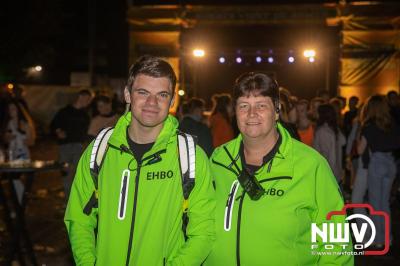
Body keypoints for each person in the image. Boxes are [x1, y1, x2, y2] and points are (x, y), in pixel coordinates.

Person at [64, 55, 215, 265]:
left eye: (162, 95)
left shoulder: (190, 156)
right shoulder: (100, 149)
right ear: (127, 94)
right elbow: (79, 219)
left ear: (172, 100)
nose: (152, 103)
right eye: (143, 92)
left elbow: (204, 231)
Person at [204, 72, 353, 265]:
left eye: (261, 105)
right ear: (235, 112)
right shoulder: (218, 160)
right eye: (244, 106)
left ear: (276, 111)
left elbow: (336, 242)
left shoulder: (311, 165)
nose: (251, 113)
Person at [358, 95, 400, 248]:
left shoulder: (369, 125)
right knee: (385, 203)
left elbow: (360, 149)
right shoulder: (392, 124)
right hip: (391, 163)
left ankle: (378, 239)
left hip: (377, 162)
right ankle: (387, 236)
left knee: (375, 204)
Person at [50, 89, 93, 200]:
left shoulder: (85, 115)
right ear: (80, 97)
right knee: (66, 173)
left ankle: (76, 200)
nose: (88, 102)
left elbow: (87, 132)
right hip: (65, 146)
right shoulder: (64, 111)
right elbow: (54, 125)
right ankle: (68, 200)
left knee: (78, 174)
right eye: (87, 99)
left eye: (89, 100)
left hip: (79, 146)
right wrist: (58, 131)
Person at [313, 104, 346, 184]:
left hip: (328, 174)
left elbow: (329, 156)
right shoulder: (334, 129)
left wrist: (327, 175)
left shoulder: (323, 131)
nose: (314, 113)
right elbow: (344, 142)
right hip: (336, 172)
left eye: (317, 111)